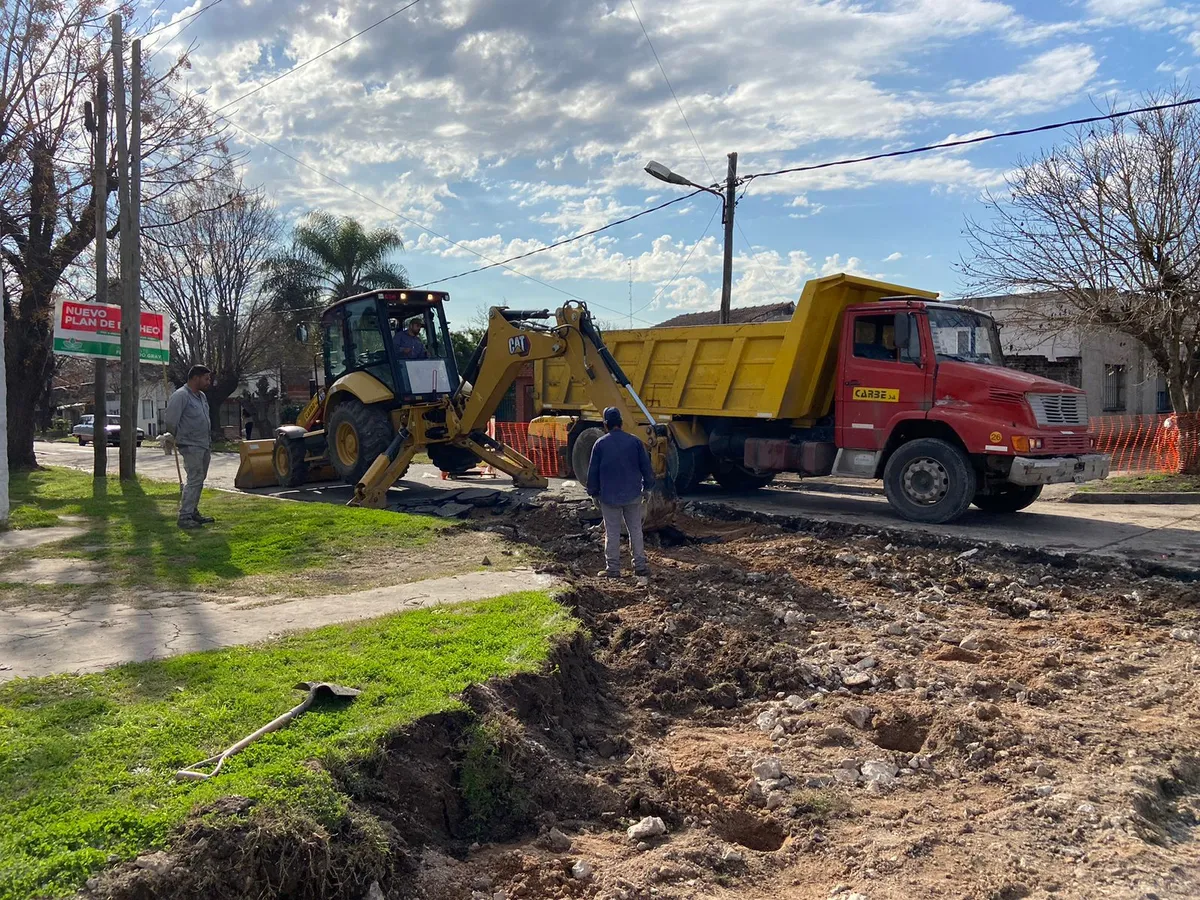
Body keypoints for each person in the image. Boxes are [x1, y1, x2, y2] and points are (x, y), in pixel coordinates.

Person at [586, 406, 655, 581]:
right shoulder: (635, 442)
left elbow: (592, 472)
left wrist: (593, 493)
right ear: (622, 423)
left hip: (609, 497)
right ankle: (640, 566)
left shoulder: (600, 444)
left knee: (612, 532)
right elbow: (646, 468)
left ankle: (613, 570)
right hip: (633, 495)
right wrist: (648, 488)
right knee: (635, 530)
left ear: (605, 424)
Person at [164, 365, 214, 530]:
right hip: (190, 444)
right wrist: (177, 438)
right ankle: (184, 516)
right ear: (195, 378)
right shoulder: (181, 396)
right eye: (206, 379)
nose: (209, 382)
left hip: (204, 443)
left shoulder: (202, 397)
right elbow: (171, 421)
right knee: (194, 478)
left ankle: (193, 511)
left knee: (199, 478)